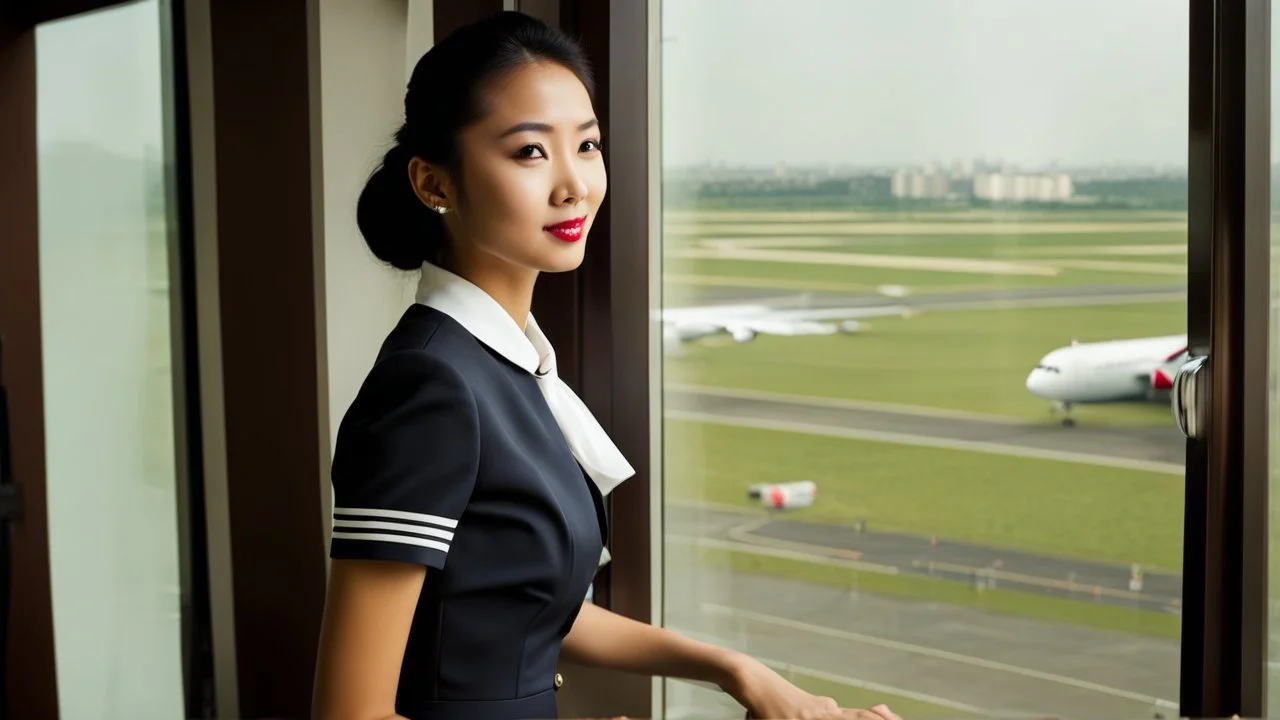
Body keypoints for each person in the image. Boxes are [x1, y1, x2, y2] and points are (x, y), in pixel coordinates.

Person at [311, 11, 902, 720]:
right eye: (530, 152)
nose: (575, 186)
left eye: (586, 146)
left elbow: (517, 608)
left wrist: (734, 669)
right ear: (434, 183)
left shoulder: (506, 366)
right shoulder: (432, 386)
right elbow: (350, 712)